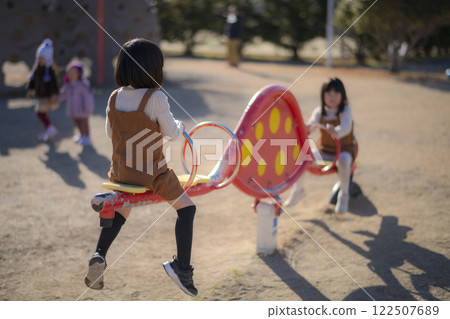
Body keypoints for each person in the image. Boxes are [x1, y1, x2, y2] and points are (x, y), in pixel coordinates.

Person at [84, 38, 198, 297]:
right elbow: (170, 132)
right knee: (188, 209)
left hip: (121, 172)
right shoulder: (155, 96)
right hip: (152, 174)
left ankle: (99, 254)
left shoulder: (114, 97)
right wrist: (178, 126)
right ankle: (182, 269)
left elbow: (109, 131)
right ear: (154, 68)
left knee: (123, 208)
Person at [284, 77, 357, 213]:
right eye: (329, 94)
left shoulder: (345, 111)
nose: (332, 97)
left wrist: (336, 131)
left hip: (344, 149)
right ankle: (298, 190)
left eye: (336, 94)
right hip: (325, 151)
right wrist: (306, 128)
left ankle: (344, 194)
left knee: (344, 160)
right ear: (323, 95)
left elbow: (346, 127)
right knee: (303, 156)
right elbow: (311, 125)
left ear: (342, 96)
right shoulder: (319, 112)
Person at [27, 39, 59, 142]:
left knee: (39, 112)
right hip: (40, 95)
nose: (40, 60)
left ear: (48, 59)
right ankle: (49, 130)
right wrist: (29, 91)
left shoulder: (50, 71)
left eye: (43, 58)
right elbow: (32, 81)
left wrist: (54, 94)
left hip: (46, 96)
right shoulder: (36, 70)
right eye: (39, 58)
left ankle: (50, 128)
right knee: (43, 112)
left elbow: (54, 84)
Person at [59, 61, 94, 146]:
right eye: (69, 73)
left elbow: (88, 98)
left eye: (73, 73)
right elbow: (63, 94)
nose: (71, 75)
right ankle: (82, 135)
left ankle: (87, 137)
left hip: (82, 109)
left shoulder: (82, 85)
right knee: (77, 123)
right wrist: (56, 99)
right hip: (73, 110)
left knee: (84, 124)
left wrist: (88, 108)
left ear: (79, 74)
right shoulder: (68, 86)